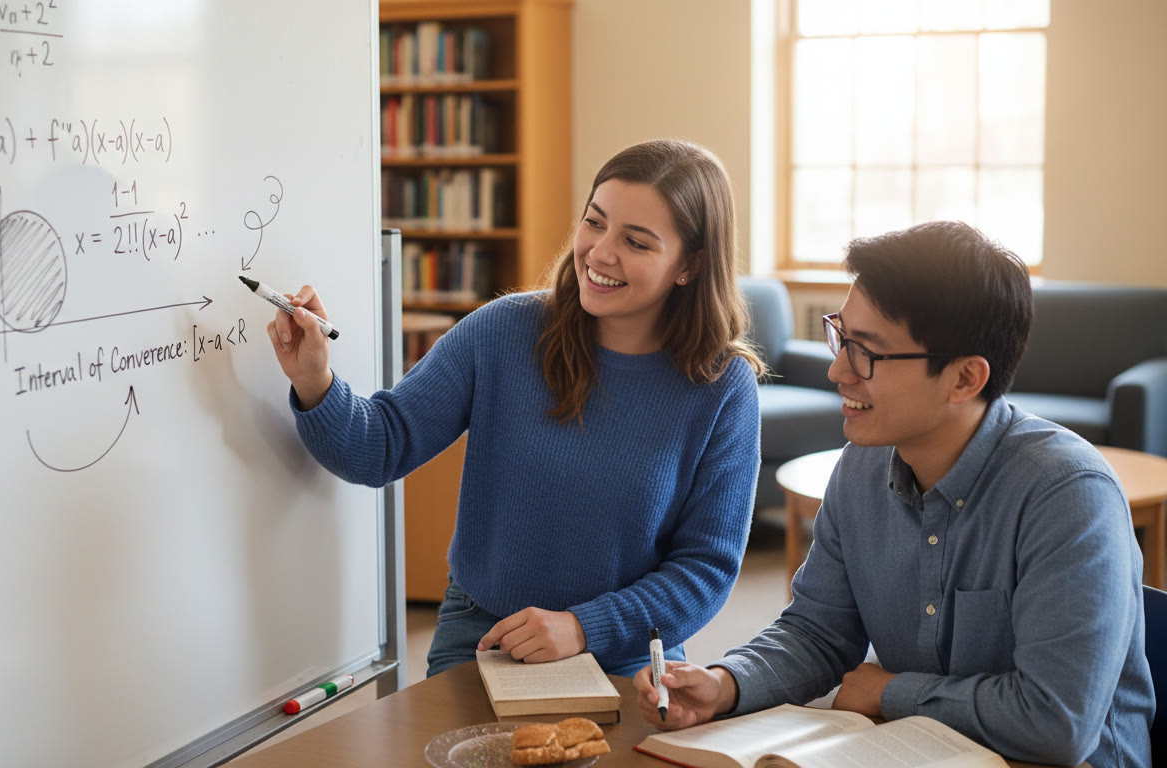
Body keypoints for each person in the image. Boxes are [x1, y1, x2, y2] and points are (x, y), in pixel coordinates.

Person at [634, 221, 1155, 767]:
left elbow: (1057, 723)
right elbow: (818, 632)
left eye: (866, 353)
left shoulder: (1067, 496)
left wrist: (888, 691)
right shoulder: (861, 466)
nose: (838, 370)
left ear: (964, 379)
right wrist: (725, 684)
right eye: (842, 337)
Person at [266, 139, 766, 677]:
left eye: (636, 243)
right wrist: (314, 377)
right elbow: (378, 447)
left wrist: (581, 627)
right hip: (486, 634)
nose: (599, 252)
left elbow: (704, 570)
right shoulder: (505, 330)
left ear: (689, 265)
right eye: (594, 222)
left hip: (624, 651)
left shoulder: (723, 388)